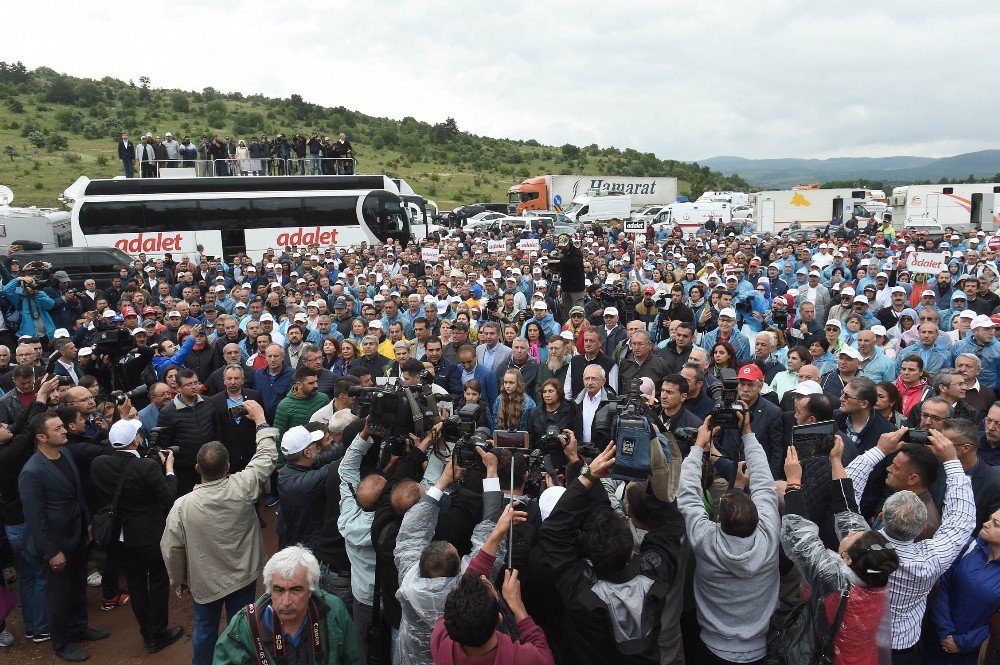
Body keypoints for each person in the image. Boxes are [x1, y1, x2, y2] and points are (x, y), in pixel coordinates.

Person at [160, 399, 279, 665]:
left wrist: (180, 581)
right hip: (242, 575)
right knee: (243, 627)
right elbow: (266, 457)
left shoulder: (182, 506)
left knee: (204, 631)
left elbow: (171, 549)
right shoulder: (243, 485)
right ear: (227, 467)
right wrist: (260, 419)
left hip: (205, 581)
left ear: (197, 469)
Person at [845, 426, 976, 662]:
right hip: (903, 646)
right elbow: (961, 521)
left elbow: (845, 494)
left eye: (894, 466)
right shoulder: (930, 561)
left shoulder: (858, 545)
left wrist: (878, 450)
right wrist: (952, 462)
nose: (888, 467)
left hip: (861, 638)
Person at [781, 438, 900, 665]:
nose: (850, 532)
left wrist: (794, 482)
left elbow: (799, 536)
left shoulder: (833, 579)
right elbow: (849, 513)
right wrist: (836, 461)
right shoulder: (874, 567)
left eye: (851, 538)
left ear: (845, 558)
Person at [678, 410, 780, 664]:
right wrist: (747, 433)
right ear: (760, 518)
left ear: (718, 520)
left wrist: (699, 446)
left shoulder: (705, 538)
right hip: (759, 651)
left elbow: (688, 495)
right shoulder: (769, 537)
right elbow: (765, 484)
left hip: (711, 650)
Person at [19, 412, 111, 662]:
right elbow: (35, 518)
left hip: (78, 534)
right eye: (58, 428)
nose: (64, 431)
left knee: (77, 587)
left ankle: (79, 628)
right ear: (41, 437)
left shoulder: (66, 454)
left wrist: (88, 522)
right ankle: (61, 643)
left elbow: (77, 492)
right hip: (56, 544)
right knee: (58, 597)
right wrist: (51, 552)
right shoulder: (32, 472)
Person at [89, 419, 183, 654]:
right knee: (159, 580)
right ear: (135, 440)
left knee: (136, 583)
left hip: (121, 538)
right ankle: (158, 633)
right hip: (149, 536)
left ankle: (147, 633)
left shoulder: (99, 464)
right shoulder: (146, 467)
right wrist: (169, 469)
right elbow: (168, 498)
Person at [212, 545, 363, 665]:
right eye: (278, 590)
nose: (286, 601)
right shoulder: (245, 626)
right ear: (269, 589)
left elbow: (354, 659)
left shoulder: (333, 611)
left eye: (296, 590)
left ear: (311, 590)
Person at [431, 568, 554, 665]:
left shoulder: (440, 636)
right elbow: (544, 655)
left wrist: (495, 537)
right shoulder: (523, 659)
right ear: (499, 619)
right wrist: (517, 605)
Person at [930, 507, 1000, 663]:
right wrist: (945, 632)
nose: (986, 524)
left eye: (996, 524)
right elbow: (941, 584)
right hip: (936, 640)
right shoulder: (968, 546)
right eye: (990, 519)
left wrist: (962, 643)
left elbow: (997, 624)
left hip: (969, 654)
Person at [156, 368, 218, 496]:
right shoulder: (167, 412)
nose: (194, 387)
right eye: (189, 384)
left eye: (196, 383)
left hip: (210, 463)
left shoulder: (209, 403)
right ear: (178, 388)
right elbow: (164, 443)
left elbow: (218, 431)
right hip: (186, 469)